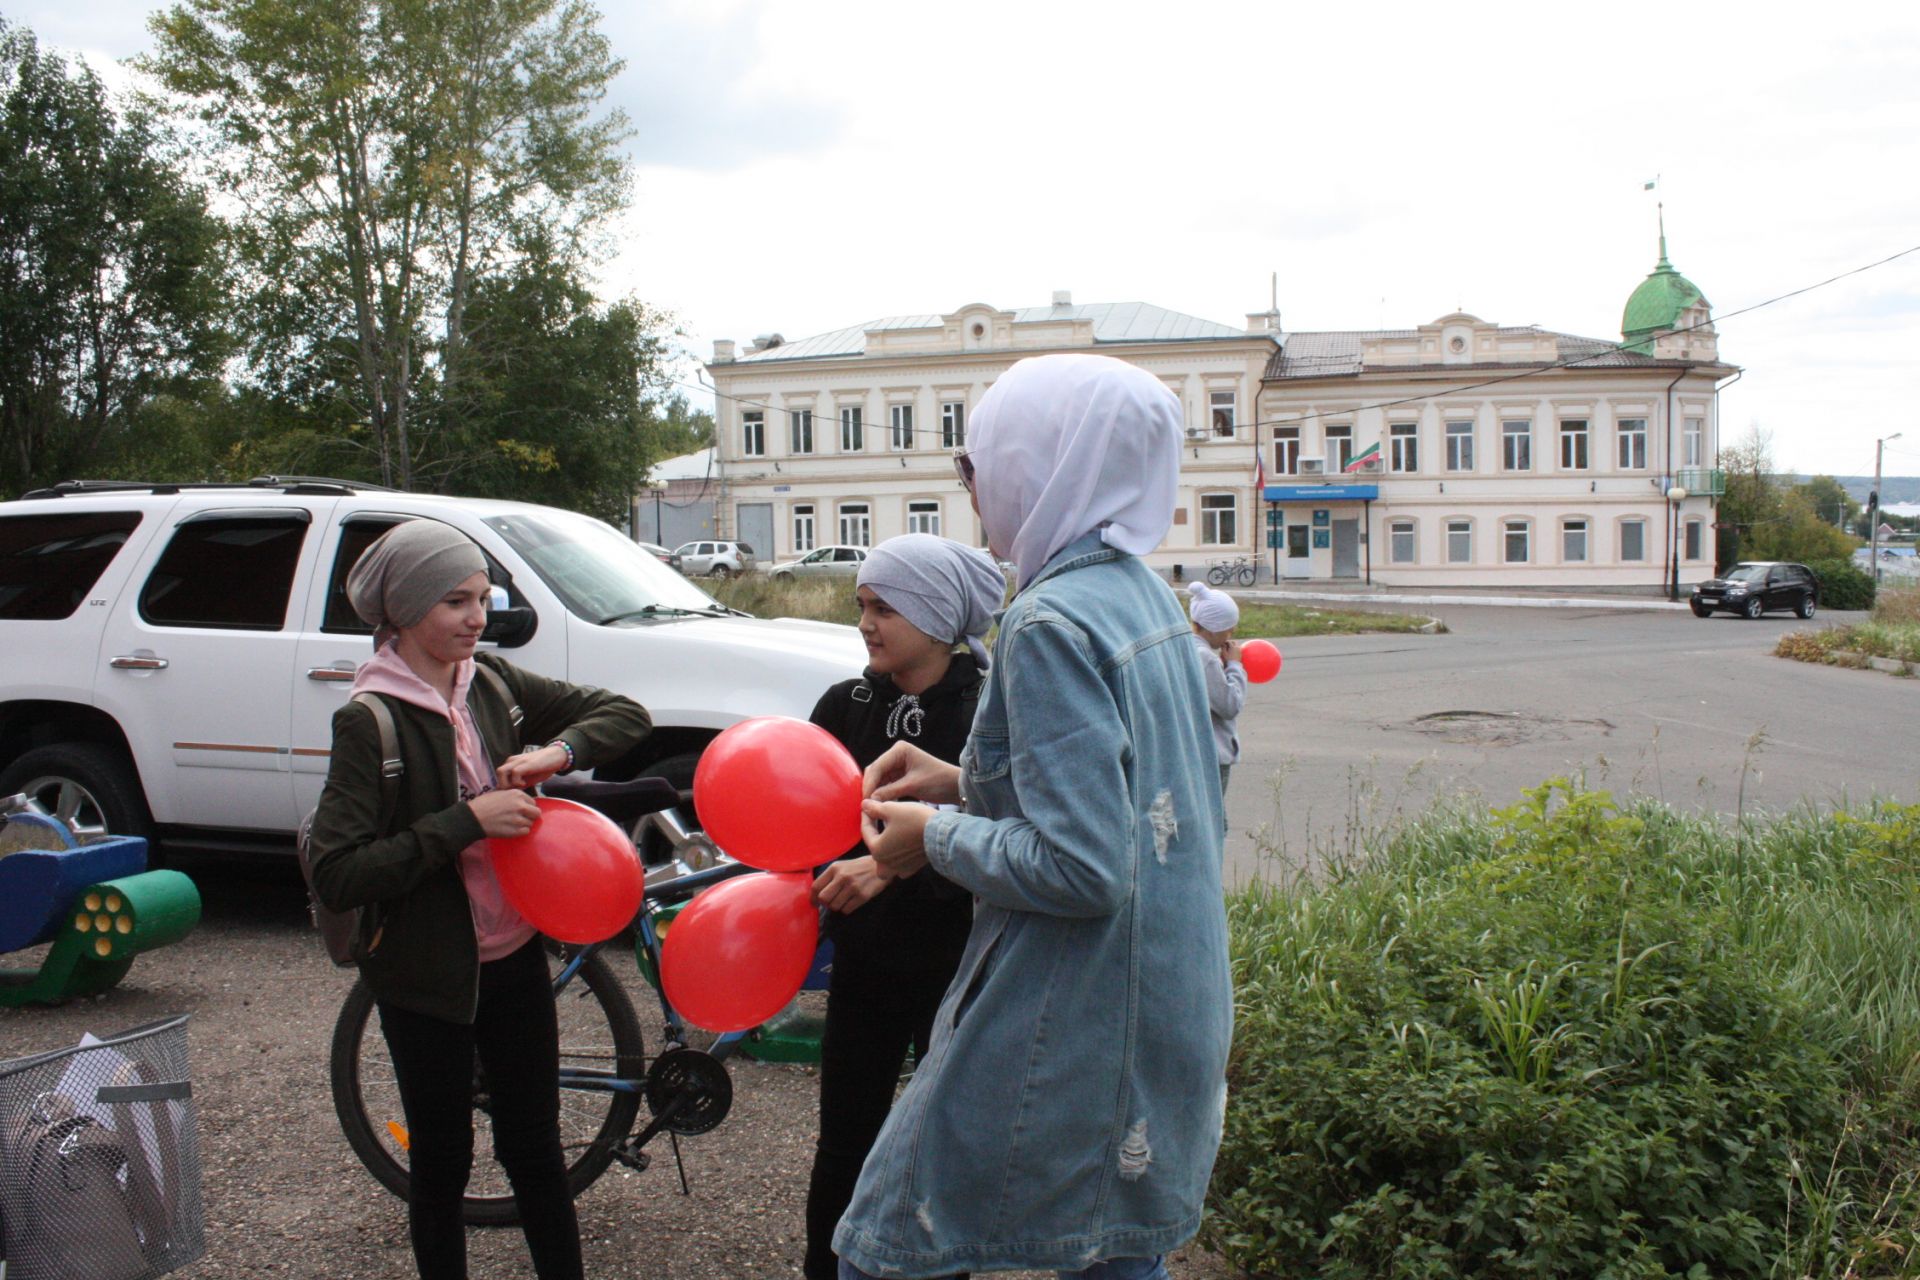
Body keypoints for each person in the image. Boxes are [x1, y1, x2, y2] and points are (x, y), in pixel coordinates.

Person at [835, 353, 1234, 1280]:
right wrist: (963, 781)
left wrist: (929, 838)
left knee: (886, 1247)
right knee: (1112, 1251)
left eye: (979, 465)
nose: (976, 490)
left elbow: (1084, 866)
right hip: (1166, 991)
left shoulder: (1048, 620)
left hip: (1077, 1004)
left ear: (1045, 461)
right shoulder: (1146, 597)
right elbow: (1142, 804)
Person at [306, 520, 650, 1280]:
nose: (476, 616)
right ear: (399, 613)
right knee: (442, 1164)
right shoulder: (369, 721)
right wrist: (467, 821)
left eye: (482, 598)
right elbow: (337, 871)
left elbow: (625, 714)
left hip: (516, 960)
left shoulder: (489, 682)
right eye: (453, 601)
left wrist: (556, 753)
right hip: (425, 979)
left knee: (534, 1148)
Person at [802, 533, 1005, 1280]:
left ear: (934, 611)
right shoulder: (845, 705)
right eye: (861, 604)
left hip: (963, 971)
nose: (865, 622)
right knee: (844, 1142)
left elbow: (1007, 843)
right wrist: (834, 875)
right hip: (864, 964)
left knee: (945, 1149)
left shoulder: (988, 715)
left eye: (884, 606)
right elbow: (807, 821)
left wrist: (889, 871)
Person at [1183, 581, 1247, 806]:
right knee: (1215, 819)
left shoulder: (1183, 647)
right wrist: (1234, 666)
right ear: (1213, 628)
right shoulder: (1206, 658)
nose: (1232, 633)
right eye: (1229, 628)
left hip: (1190, 751)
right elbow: (1230, 705)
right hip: (1212, 754)